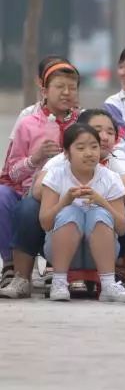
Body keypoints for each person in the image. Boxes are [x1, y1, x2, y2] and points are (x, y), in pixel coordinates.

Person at [38, 124, 125, 302]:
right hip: (61, 253)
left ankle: (108, 285)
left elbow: (122, 228)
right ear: (67, 153)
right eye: (81, 148)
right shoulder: (55, 175)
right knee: (70, 213)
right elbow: (45, 223)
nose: (89, 153)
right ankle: (59, 282)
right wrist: (65, 201)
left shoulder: (110, 177)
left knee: (98, 214)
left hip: (100, 255)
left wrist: (102, 202)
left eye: (94, 147)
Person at [0, 59, 80, 276]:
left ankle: (64, 269)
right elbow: (12, 173)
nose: (66, 93)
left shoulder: (83, 123)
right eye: (59, 87)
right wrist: (35, 158)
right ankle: (11, 267)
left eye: (72, 88)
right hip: (32, 193)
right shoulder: (28, 122)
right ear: (44, 91)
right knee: (7, 198)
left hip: (73, 193)